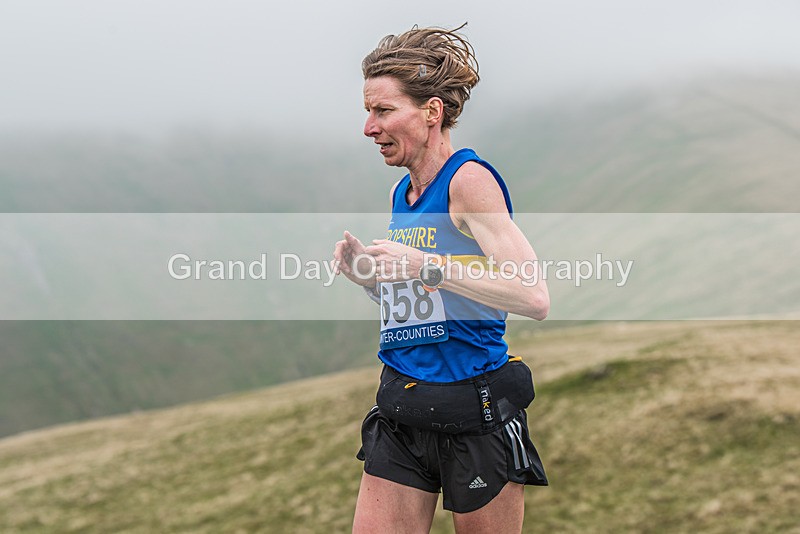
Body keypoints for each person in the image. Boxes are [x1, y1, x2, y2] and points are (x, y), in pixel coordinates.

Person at [333, 24, 550, 534]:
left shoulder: (468, 181)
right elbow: (431, 297)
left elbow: (533, 297)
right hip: (403, 406)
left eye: (383, 111)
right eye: (368, 111)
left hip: (473, 414)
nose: (368, 127)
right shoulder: (402, 193)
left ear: (432, 112)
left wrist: (424, 267)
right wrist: (370, 277)